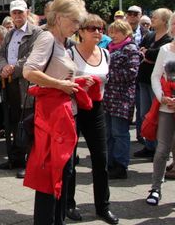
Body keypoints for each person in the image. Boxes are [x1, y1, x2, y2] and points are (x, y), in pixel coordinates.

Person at [23, 0, 88, 225]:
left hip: (63, 115)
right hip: (52, 117)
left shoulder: (62, 43)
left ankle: (55, 220)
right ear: (59, 18)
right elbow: (29, 72)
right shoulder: (48, 39)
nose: (77, 27)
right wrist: (61, 84)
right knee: (51, 174)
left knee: (62, 172)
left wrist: (76, 82)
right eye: (74, 21)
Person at [65, 14, 119, 224]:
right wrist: (79, 80)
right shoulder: (70, 53)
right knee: (70, 160)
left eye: (100, 28)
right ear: (81, 31)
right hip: (74, 107)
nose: (97, 32)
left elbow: (107, 81)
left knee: (100, 159)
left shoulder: (106, 53)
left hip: (96, 108)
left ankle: (103, 207)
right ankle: (69, 203)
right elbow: (62, 79)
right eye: (91, 28)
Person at [0, 0, 42, 178]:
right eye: (14, 13)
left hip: (27, 83)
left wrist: (12, 69)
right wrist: (3, 67)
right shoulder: (10, 33)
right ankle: (15, 157)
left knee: (29, 123)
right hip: (10, 84)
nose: (17, 16)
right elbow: (1, 54)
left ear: (27, 12)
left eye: (20, 12)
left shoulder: (36, 33)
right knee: (14, 121)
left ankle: (30, 162)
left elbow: (33, 57)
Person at [103, 20, 142, 179]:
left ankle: (121, 165)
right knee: (108, 133)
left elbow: (131, 73)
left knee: (120, 133)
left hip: (122, 97)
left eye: (117, 32)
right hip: (108, 96)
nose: (113, 35)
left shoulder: (131, 49)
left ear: (126, 33)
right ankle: (109, 162)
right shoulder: (108, 48)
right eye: (111, 32)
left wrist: (107, 76)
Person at [135, 8, 172, 157]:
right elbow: (140, 50)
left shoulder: (169, 39)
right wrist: (148, 53)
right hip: (144, 79)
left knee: (159, 116)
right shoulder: (149, 35)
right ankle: (149, 146)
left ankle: (160, 149)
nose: (152, 19)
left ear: (164, 21)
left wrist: (148, 53)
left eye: (155, 17)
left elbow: (156, 54)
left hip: (159, 84)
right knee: (145, 114)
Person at [146, 13, 175, 206]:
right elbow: (155, 76)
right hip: (166, 108)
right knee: (162, 149)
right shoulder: (165, 49)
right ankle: (155, 187)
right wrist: (161, 97)